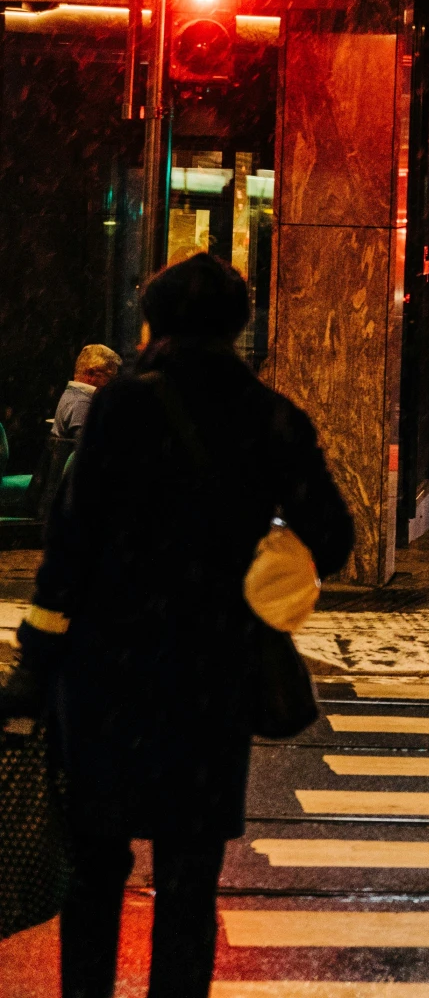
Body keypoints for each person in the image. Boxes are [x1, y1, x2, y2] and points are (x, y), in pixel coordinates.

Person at [4, 254, 353, 998]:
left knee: (95, 870)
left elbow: (68, 543)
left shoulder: (122, 409)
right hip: (210, 678)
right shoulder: (271, 417)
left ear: (156, 323)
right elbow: (334, 533)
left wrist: (36, 657)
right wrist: (261, 560)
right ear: (237, 326)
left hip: (107, 673)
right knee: (189, 879)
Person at [38, 344, 120, 516]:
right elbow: (87, 454)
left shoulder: (72, 395)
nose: (113, 384)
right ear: (90, 374)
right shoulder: (83, 403)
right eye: (110, 378)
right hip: (69, 505)